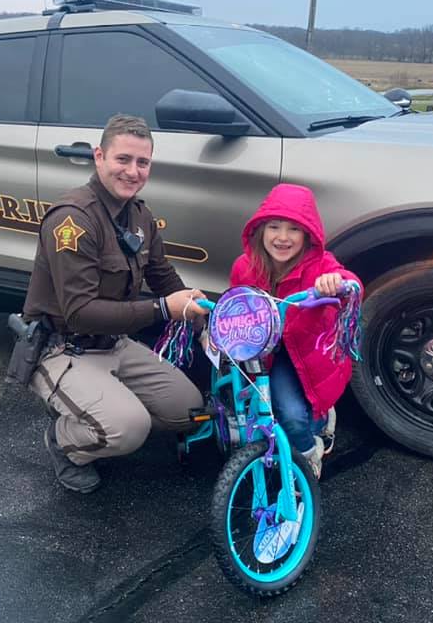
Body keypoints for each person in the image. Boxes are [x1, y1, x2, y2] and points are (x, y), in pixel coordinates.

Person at [22, 114, 209, 494]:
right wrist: (163, 309)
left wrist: (202, 315)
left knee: (190, 411)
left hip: (116, 343)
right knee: (129, 429)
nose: (132, 171)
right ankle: (64, 441)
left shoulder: (139, 215)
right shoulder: (72, 221)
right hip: (63, 347)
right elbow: (80, 311)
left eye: (142, 162)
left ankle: (101, 410)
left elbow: (162, 275)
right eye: (122, 159)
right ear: (99, 157)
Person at [229, 184, 362, 479]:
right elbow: (236, 302)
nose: (282, 237)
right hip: (265, 346)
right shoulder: (245, 266)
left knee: (293, 416)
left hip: (305, 349)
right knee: (253, 402)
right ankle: (313, 425)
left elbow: (351, 282)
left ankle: (307, 457)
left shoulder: (320, 265)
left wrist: (336, 282)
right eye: (274, 227)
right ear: (260, 230)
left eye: (294, 229)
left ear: (307, 236)